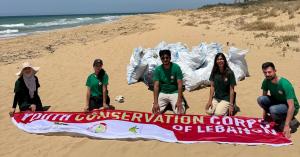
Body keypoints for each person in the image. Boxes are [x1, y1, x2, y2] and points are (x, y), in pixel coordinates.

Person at [257, 62, 299, 138]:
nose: (267, 74)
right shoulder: (266, 81)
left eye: (269, 72)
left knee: (273, 109)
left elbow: (292, 106)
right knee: (261, 99)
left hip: (291, 107)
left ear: (275, 71)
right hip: (278, 102)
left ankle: (287, 122)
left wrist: (286, 126)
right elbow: (264, 97)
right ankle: (282, 117)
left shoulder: (285, 84)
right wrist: (265, 115)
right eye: (265, 72)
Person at [152, 49, 185, 114]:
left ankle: (176, 102)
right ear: (161, 59)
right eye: (163, 58)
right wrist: (155, 102)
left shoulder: (176, 68)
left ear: (170, 58)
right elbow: (156, 86)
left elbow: (180, 84)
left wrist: (179, 100)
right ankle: (168, 104)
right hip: (163, 92)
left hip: (174, 92)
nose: (165, 60)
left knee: (180, 112)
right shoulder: (158, 70)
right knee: (155, 112)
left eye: (167, 57)